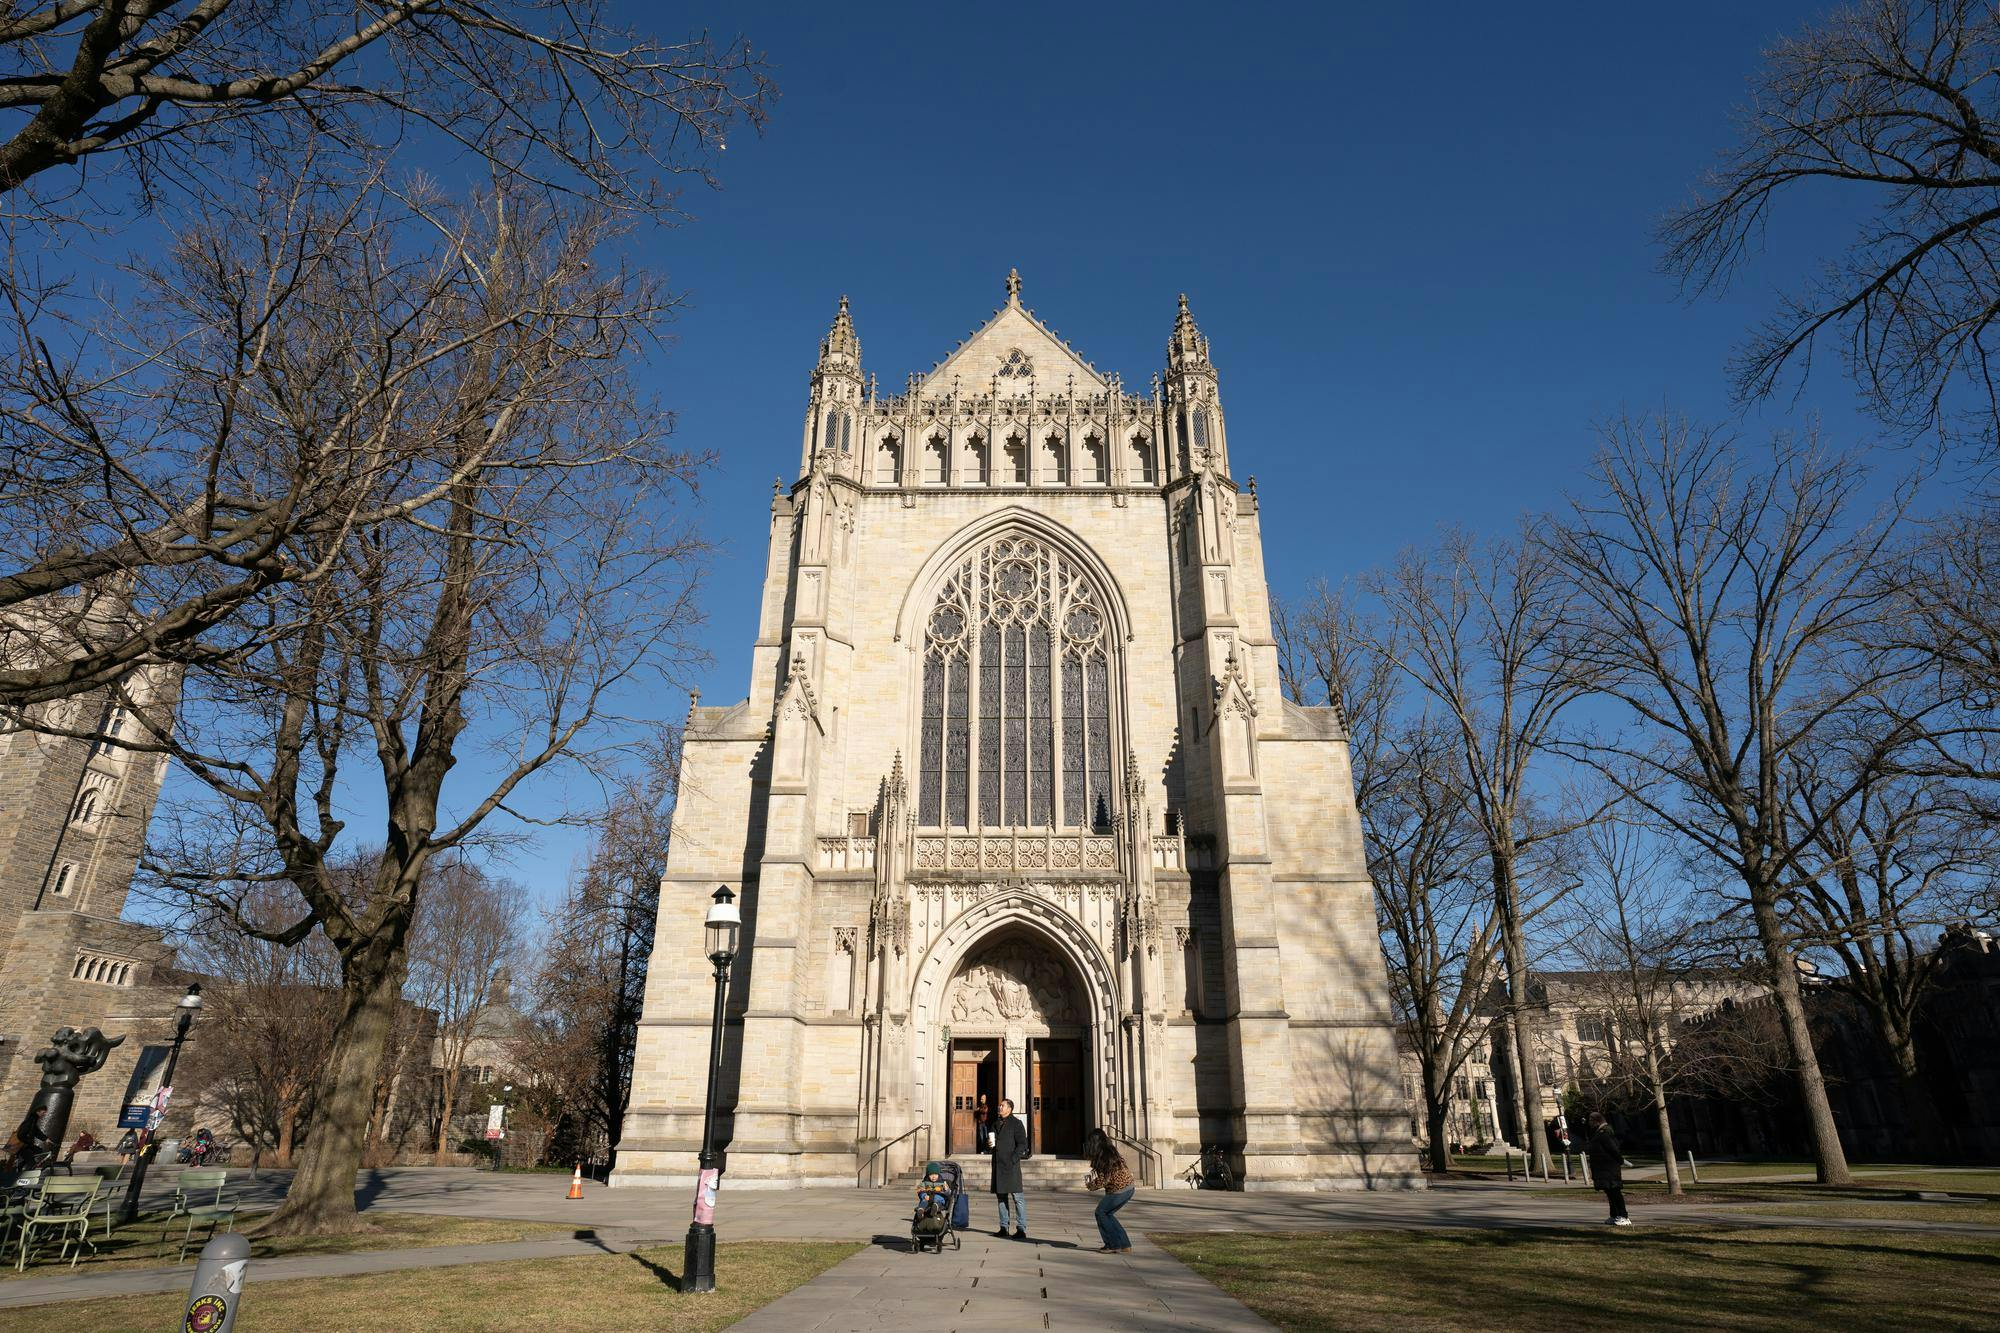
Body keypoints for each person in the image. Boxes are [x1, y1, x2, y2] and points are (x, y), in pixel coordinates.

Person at [1082, 1129, 1136, 1254]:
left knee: (1101, 1212)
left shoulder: (1103, 1155)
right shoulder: (1109, 1151)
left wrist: (1091, 1185)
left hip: (1119, 1190)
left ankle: (1113, 1245)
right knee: (1108, 1214)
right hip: (1128, 1187)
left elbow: (1104, 1178)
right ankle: (1124, 1244)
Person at [989, 1097, 1029, 1240]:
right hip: (998, 1166)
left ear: (1009, 1109)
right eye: (999, 1105)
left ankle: (1021, 1228)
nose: (999, 1107)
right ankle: (1003, 1227)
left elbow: (1022, 1144)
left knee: (1018, 1197)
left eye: (1002, 1105)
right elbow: (992, 1142)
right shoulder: (995, 1123)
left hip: (1011, 1166)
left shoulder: (1016, 1124)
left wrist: (1013, 1159)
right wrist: (990, 1146)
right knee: (1001, 1198)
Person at [1585, 1111, 1630, 1227]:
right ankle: (1614, 1215)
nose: (1589, 1123)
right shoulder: (1599, 1133)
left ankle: (1623, 1216)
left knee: (1615, 1192)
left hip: (1609, 1168)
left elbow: (1613, 1149)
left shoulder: (1605, 1133)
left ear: (1596, 1121)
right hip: (1603, 1168)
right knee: (1609, 1192)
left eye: (1591, 1121)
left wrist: (1621, 1160)